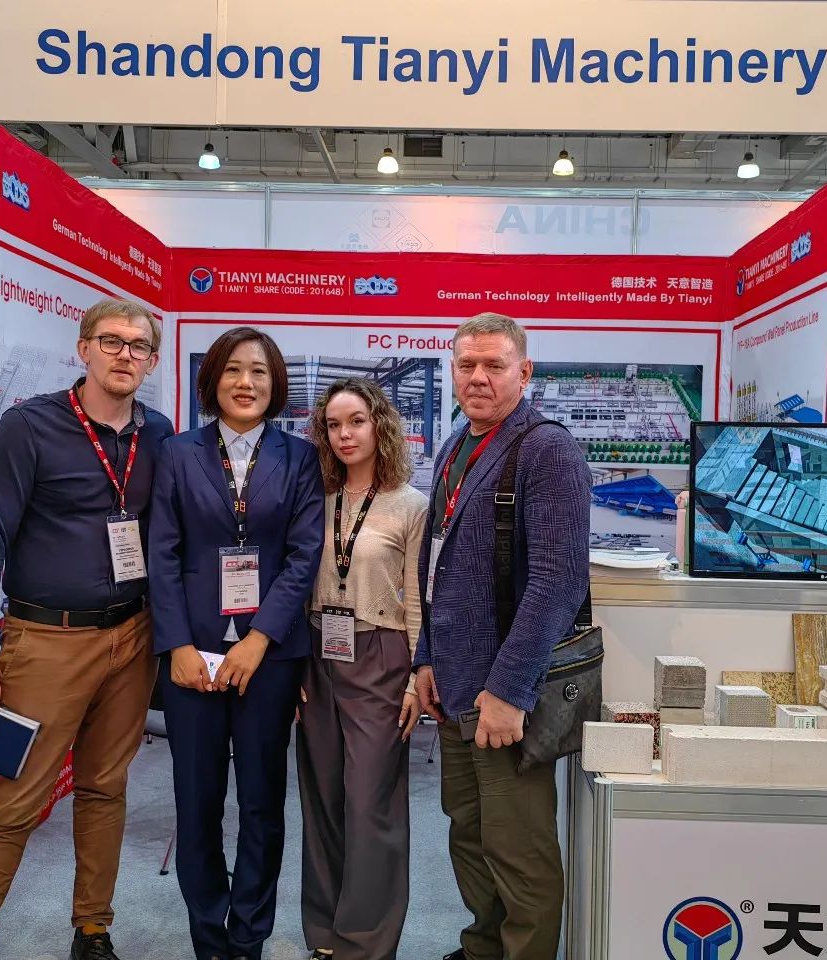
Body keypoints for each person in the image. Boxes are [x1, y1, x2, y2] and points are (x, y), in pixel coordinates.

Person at [0, 297, 172, 960]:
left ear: (152, 360)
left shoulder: (159, 434)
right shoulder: (29, 426)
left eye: (139, 345)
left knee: (105, 789)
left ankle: (92, 931)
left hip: (132, 638)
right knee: (11, 809)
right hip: (46, 644)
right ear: (84, 348)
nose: (125, 354)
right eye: (111, 341)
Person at [413, 313, 591, 960]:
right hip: (455, 684)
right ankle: (483, 947)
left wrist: (510, 690)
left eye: (494, 365)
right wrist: (426, 659)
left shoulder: (546, 450)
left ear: (525, 371)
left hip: (506, 695)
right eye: (467, 365)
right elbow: (437, 566)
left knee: (519, 848)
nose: (479, 378)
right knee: (470, 834)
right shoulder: (457, 446)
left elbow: (557, 581)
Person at [149, 326, 323, 960]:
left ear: (276, 385)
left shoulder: (299, 458)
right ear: (213, 380)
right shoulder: (177, 452)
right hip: (191, 656)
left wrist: (259, 640)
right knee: (196, 803)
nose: (245, 383)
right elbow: (162, 553)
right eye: (232, 370)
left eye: (259, 372)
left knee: (262, 803)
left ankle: (248, 935)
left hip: (269, 659)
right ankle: (209, 937)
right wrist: (176, 644)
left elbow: (303, 556)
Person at [297, 378, 427, 960]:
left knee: (370, 802)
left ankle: (366, 943)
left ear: (380, 426)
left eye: (356, 422)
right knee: (322, 797)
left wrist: (417, 676)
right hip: (317, 652)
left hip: (381, 654)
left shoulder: (410, 504)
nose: (344, 434)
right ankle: (326, 933)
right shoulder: (314, 497)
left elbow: (418, 598)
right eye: (333, 425)